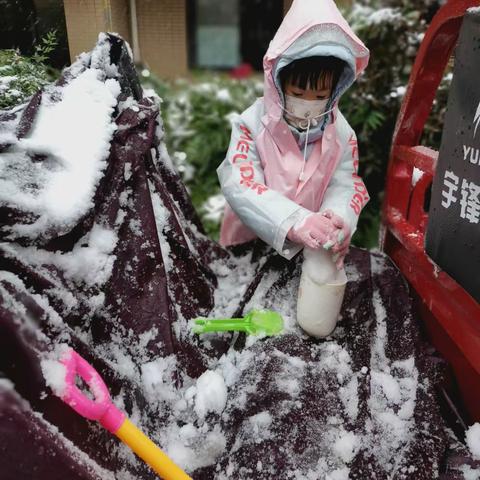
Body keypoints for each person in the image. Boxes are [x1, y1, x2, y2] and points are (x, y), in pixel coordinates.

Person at [217, 0, 370, 337]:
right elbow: (240, 184)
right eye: (298, 92)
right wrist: (295, 220)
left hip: (304, 255)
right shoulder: (251, 125)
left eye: (320, 95)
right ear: (277, 83)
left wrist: (337, 218)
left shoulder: (341, 133)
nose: (308, 103)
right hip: (247, 248)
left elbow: (346, 183)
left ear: (336, 91)